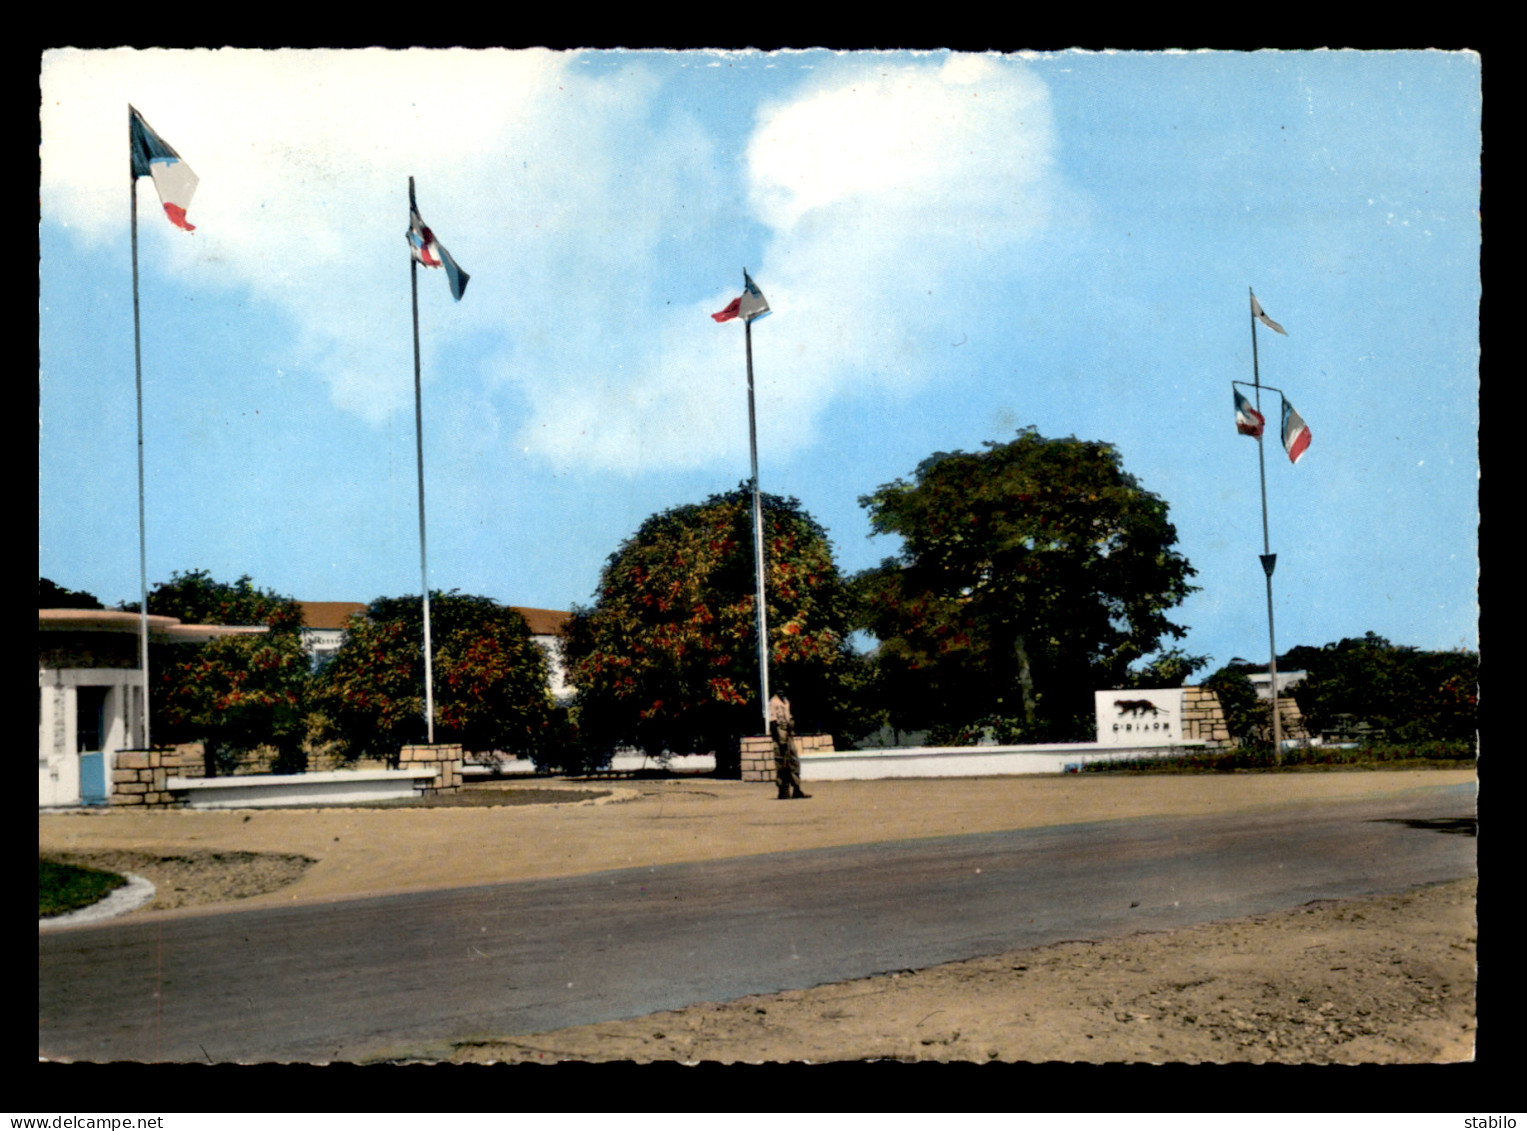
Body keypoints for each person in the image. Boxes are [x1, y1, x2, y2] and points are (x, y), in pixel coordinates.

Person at [769, 692, 809, 800]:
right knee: (782, 764)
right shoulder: (774, 702)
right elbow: (773, 723)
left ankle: (796, 788)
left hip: (788, 733)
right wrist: (780, 739)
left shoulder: (785, 701)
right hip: (780, 733)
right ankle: (783, 791)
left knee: (793, 762)